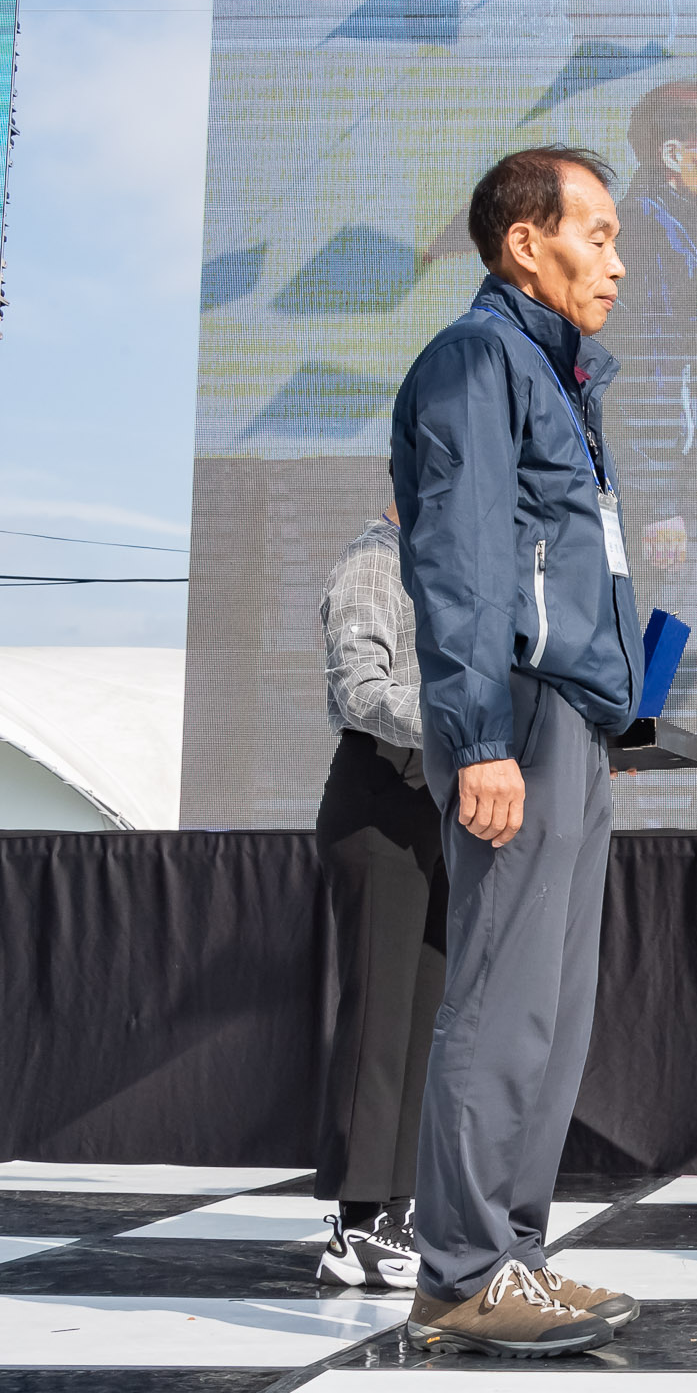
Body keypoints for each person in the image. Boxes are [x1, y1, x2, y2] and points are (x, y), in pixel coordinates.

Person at [390, 144, 649, 1358]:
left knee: (554, 1006)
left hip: (573, 718)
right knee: (502, 997)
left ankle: (516, 1256)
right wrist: (479, 732)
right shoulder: (476, 360)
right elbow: (464, 560)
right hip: (515, 716)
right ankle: (461, 1264)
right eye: (593, 231)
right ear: (522, 244)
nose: (615, 254)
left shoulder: (563, 381)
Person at [309, 493, 442, 1291]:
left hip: (437, 802)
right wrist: (464, 719)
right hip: (379, 800)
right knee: (379, 1019)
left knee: (423, 1016)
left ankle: (398, 1208)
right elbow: (361, 691)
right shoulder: (374, 561)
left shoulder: (439, 571)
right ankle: (354, 1224)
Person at [608, 80, 697, 825]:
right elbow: (643, 372)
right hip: (676, 499)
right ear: (672, 154)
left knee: (686, 668)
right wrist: (661, 498)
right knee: (673, 666)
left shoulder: (682, 234)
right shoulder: (652, 234)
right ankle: (651, 826)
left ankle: (659, 814)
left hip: (691, 491)